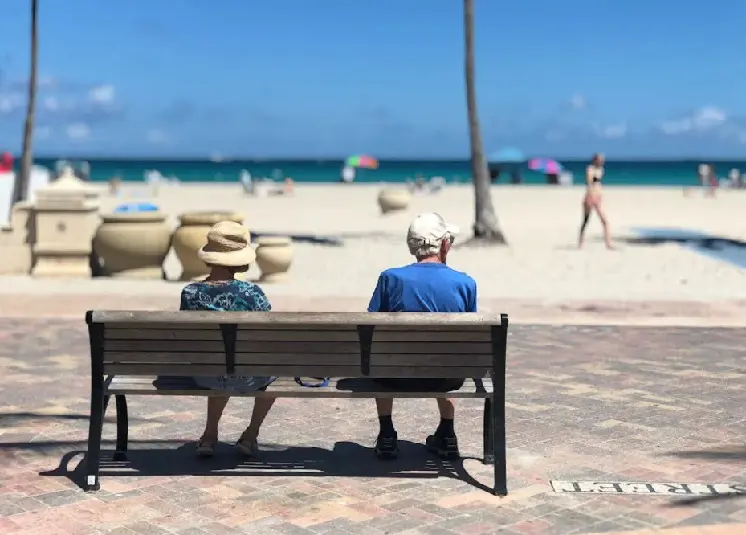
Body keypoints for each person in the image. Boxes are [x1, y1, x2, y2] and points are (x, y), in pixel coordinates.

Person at [367, 212, 477, 460]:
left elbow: (370, 325)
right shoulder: (465, 283)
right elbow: (468, 339)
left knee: (382, 356)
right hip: (446, 377)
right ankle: (447, 433)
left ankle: (386, 434)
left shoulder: (390, 278)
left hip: (394, 376)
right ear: (445, 244)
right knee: (449, 354)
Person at [179, 220, 276, 457]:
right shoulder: (253, 294)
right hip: (249, 377)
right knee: (275, 370)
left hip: (205, 375)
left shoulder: (190, 293)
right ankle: (251, 434)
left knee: (219, 362)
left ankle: (210, 435)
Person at [578, 152, 612, 249]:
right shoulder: (590, 169)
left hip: (598, 197)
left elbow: (598, 184)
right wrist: (591, 197)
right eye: (600, 159)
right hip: (590, 197)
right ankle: (580, 243)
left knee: (605, 221)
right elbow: (589, 183)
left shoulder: (601, 170)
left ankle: (608, 244)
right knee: (585, 221)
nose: (602, 161)